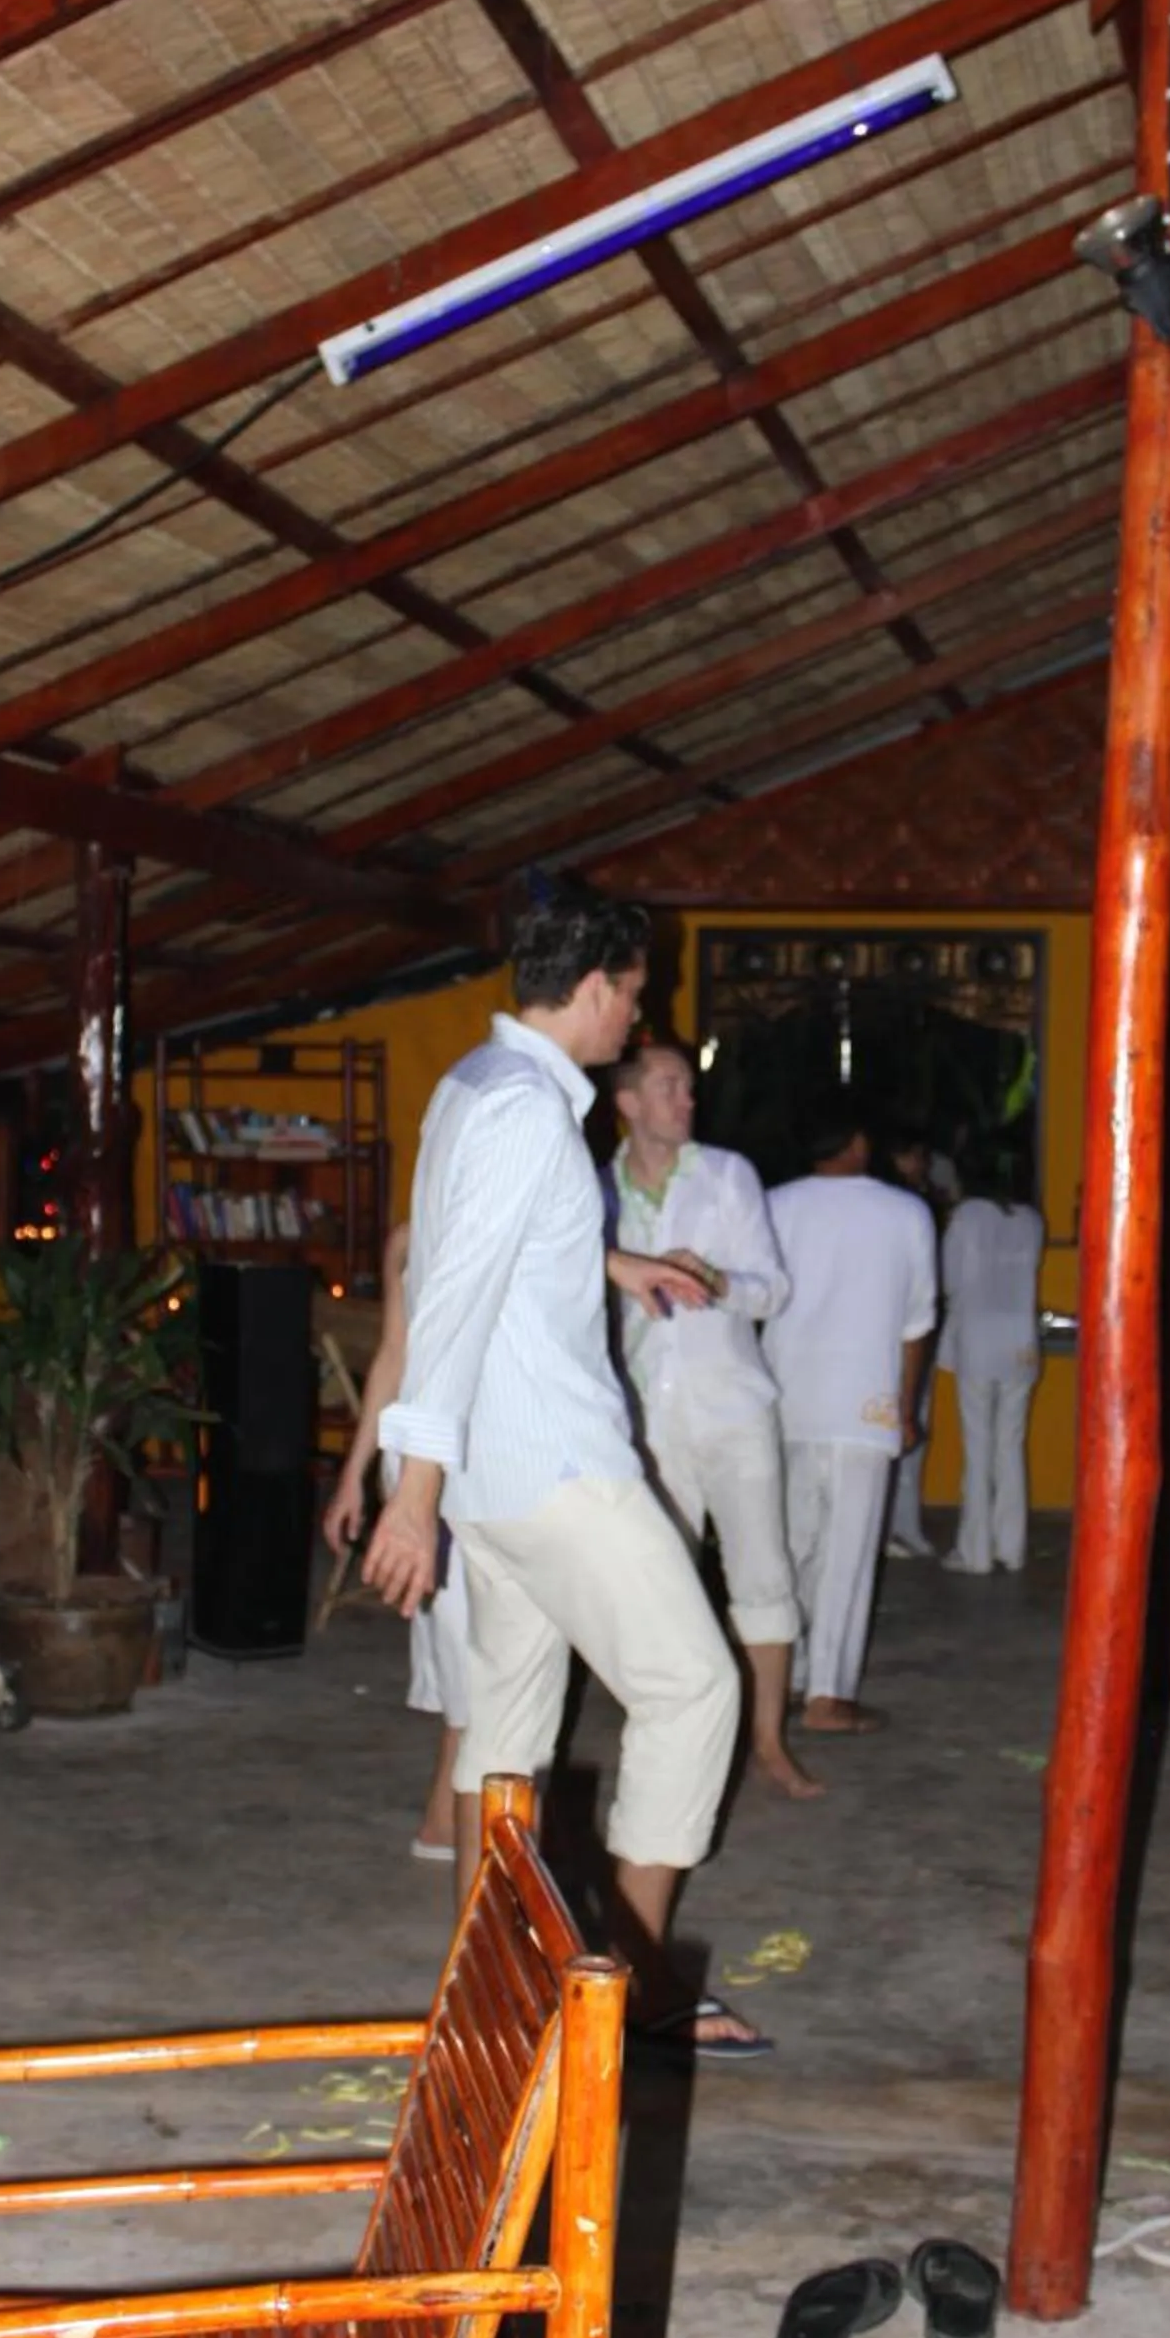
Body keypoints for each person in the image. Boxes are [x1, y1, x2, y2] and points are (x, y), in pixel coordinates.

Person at [362, 877, 761, 2055]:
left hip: (497, 1476)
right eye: (631, 999)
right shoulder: (524, 1113)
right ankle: (626, 1995)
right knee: (695, 1690)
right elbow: (450, 1297)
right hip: (543, 1470)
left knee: (507, 1732)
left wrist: (619, 1265)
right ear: (589, 989)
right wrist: (410, 1497)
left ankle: (481, 1997)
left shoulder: (482, 1084)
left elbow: (514, 1243)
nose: (636, 1023)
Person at [604, 1038, 821, 1800]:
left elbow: (773, 1291)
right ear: (628, 1103)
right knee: (661, 1578)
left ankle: (768, 1742)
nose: (686, 1101)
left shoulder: (728, 1176)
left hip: (731, 1405)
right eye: (669, 1088)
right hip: (649, 1414)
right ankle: (679, 1733)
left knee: (763, 1574)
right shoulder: (598, 1191)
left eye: (688, 1089)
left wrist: (718, 1279)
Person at [764, 1107, 937, 1732]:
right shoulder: (906, 1213)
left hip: (785, 1398)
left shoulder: (774, 1205)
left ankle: (784, 1675)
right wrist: (907, 1403)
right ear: (861, 1142)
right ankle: (827, 1692)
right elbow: (916, 1323)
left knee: (791, 1545)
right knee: (848, 1552)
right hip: (864, 1403)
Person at [323, 1222, 469, 1861]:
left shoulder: (521, 1207)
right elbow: (393, 1352)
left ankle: (450, 1816)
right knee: (470, 1649)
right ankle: (450, 1821)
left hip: (491, 1446)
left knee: (478, 1651)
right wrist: (352, 1475)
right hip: (426, 1456)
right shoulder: (408, 1238)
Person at [937, 1141, 1044, 1574]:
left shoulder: (966, 1218)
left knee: (977, 1444)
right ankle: (1010, 1548)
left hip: (977, 1339)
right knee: (1010, 1445)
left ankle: (975, 1550)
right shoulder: (1031, 1220)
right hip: (1020, 1340)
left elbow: (950, 1281)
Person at [883, 1127, 945, 1559]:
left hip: (919, 1327)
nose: (921, 1165)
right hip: (893, 1331)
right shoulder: (897, 1208)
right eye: (914, 1156)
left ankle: (906, 1524)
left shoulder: (927, 1203)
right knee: (891, 1427)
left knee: (913, 1428)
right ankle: (888, 1528)